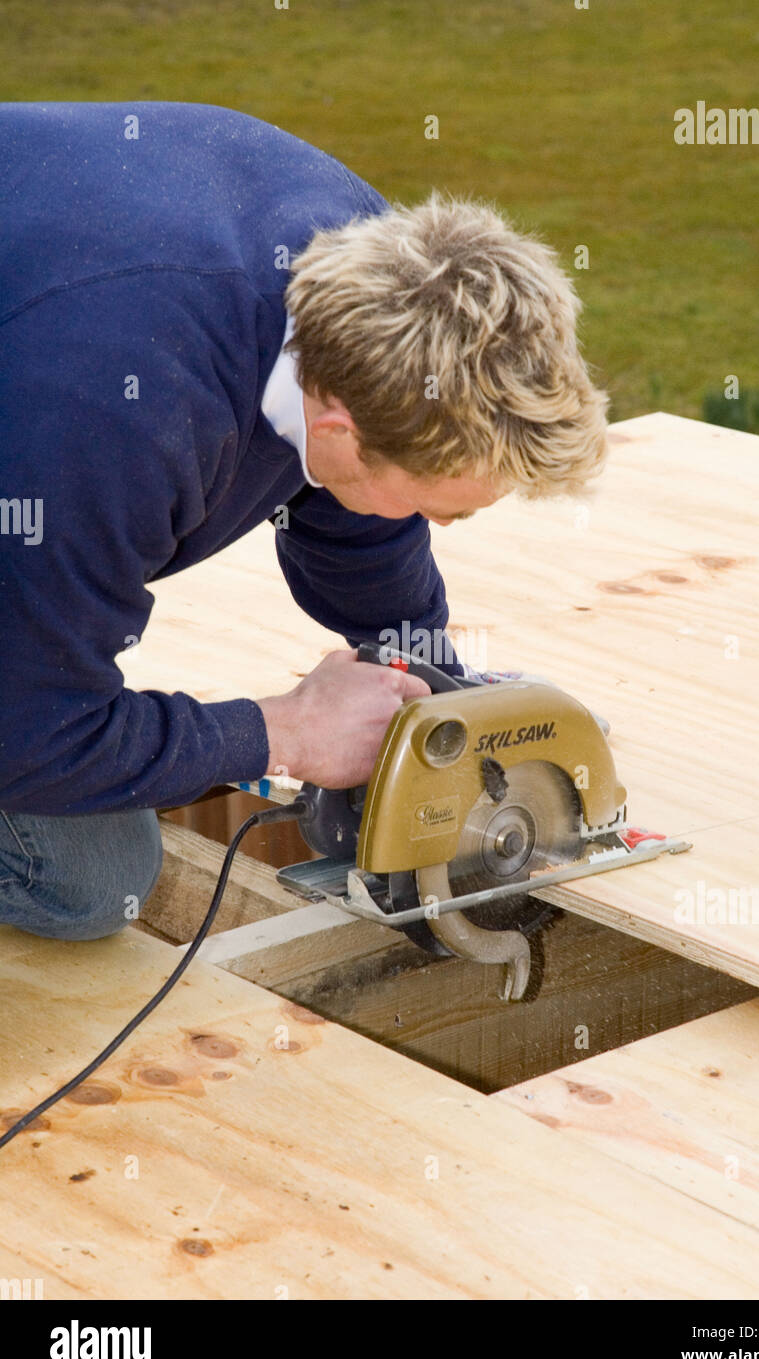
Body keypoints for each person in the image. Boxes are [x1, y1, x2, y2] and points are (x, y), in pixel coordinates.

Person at [0, 102, 608, 942]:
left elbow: (360, 523)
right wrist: (280, 730)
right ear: (337, 434)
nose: (437, 524)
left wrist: (431, 683)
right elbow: (30, 730)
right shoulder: (109, 414)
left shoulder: (376, 276)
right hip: (49, 407)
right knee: (89, 880)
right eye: (435, 506)